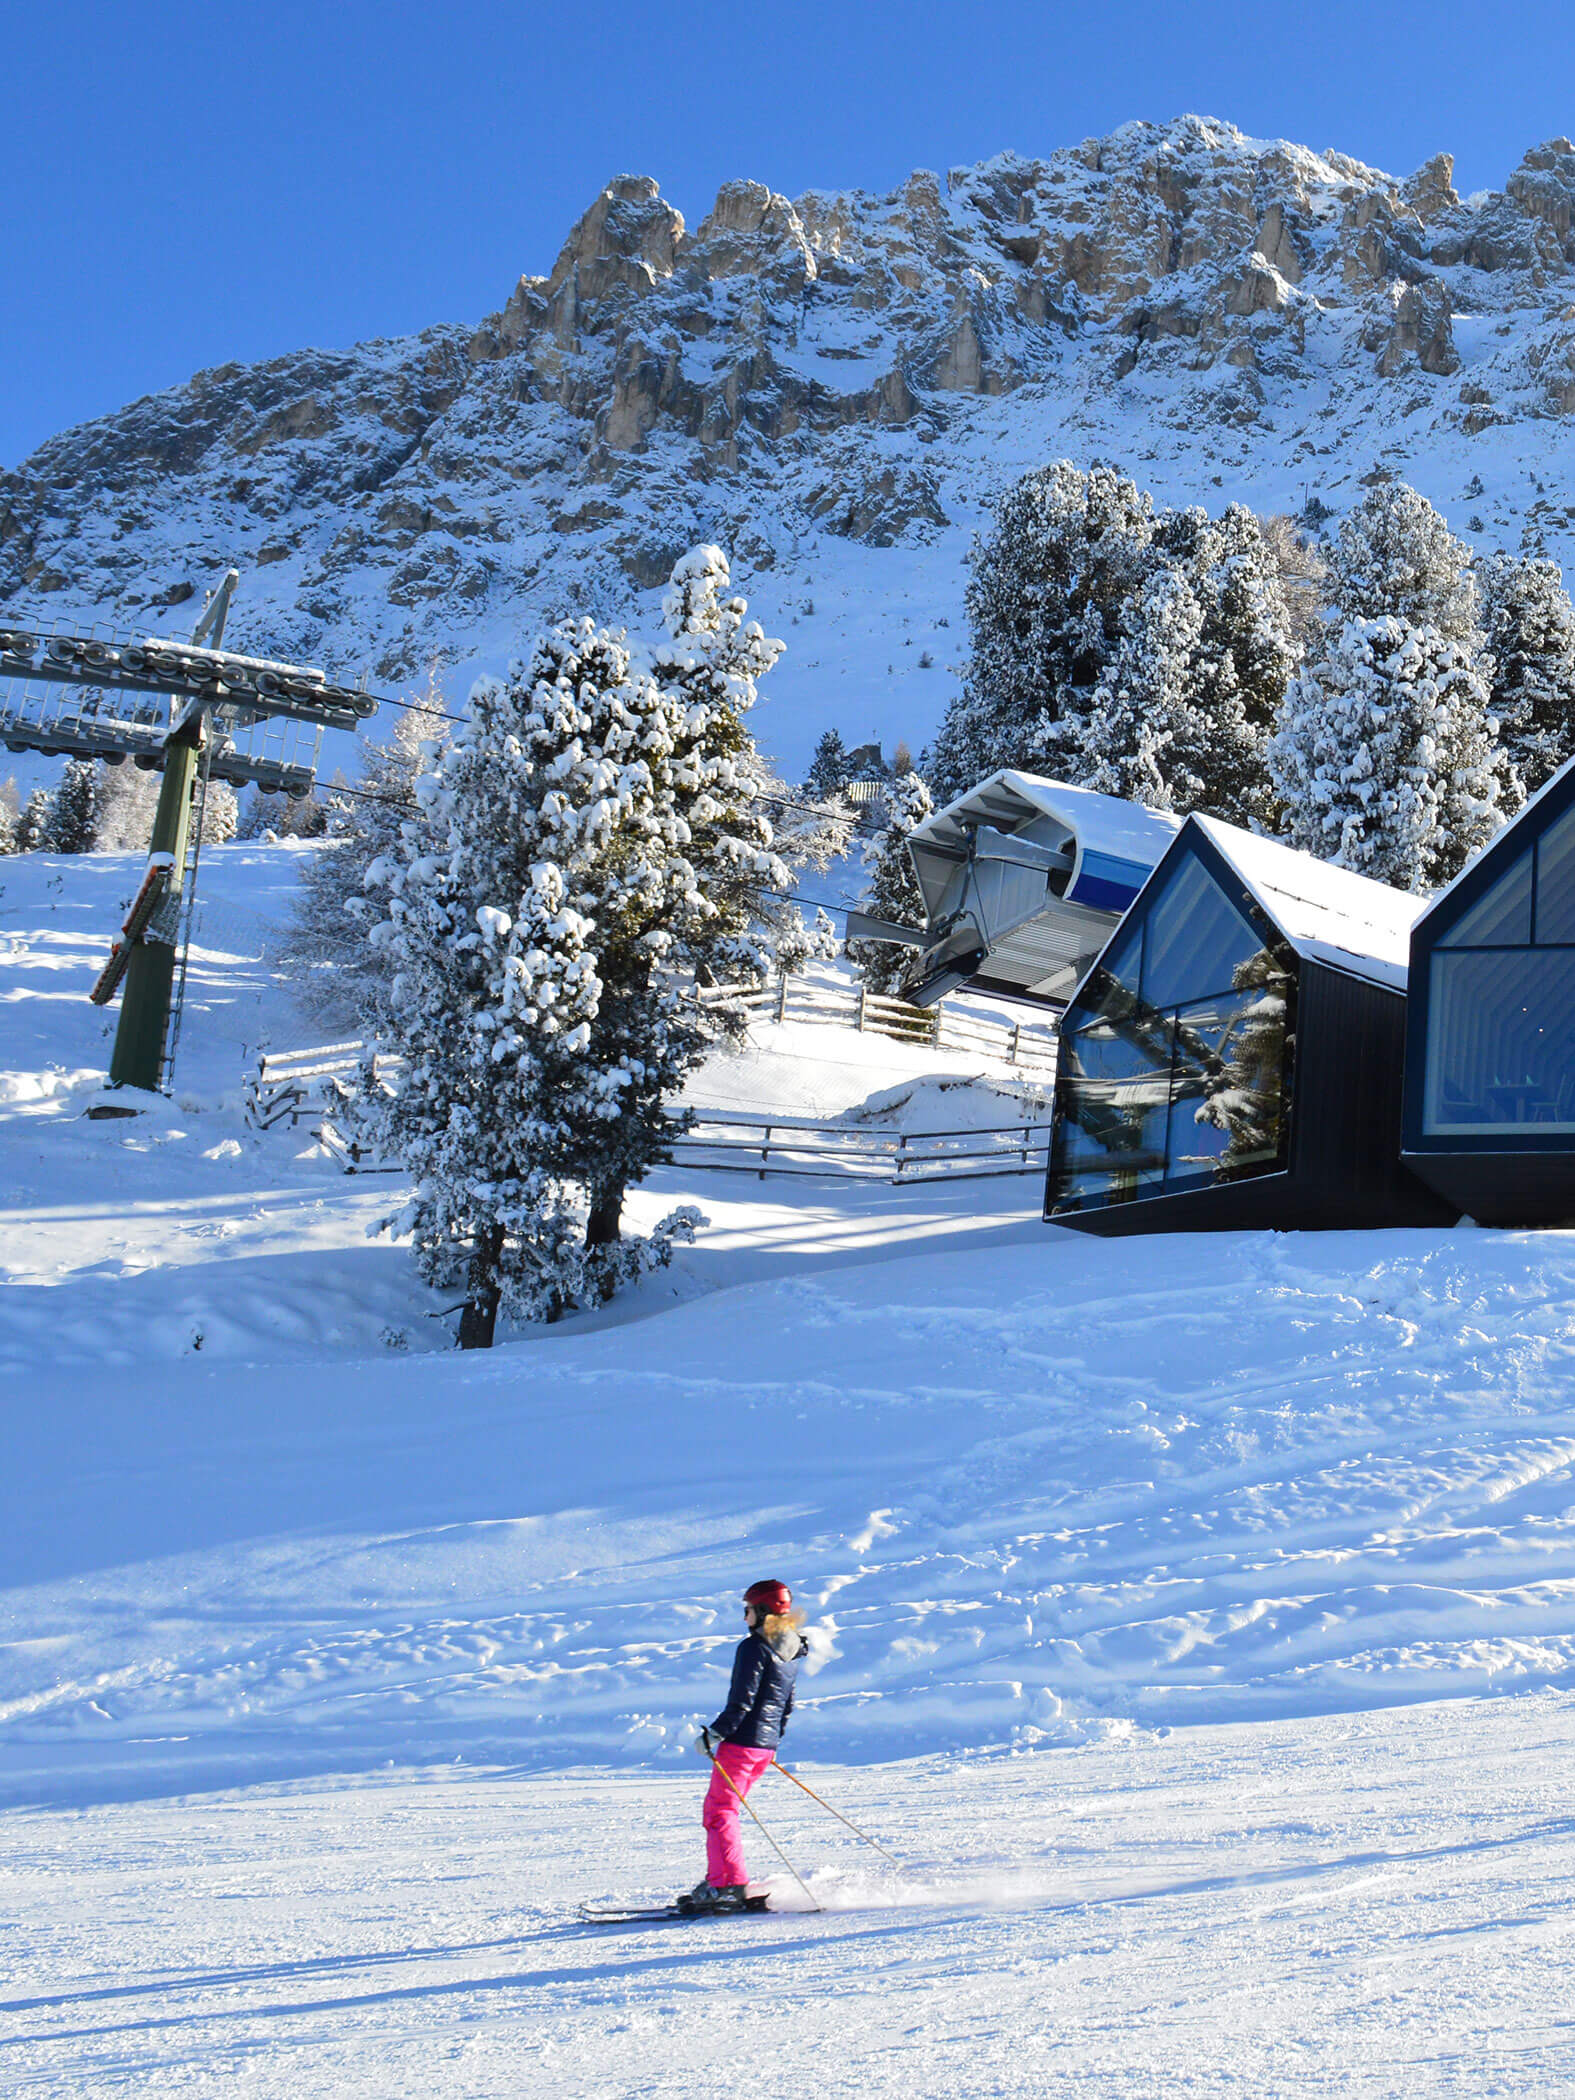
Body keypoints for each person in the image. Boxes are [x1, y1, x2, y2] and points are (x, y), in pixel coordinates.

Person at [678, 1578, 809, 1913]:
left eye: (748, 1610)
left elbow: (742, 1702)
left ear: (762, 1609)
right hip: (763, 1748)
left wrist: (714, 1735)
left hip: (741, 1744)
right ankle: (722, 1879)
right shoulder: (789, 1648)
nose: (744, 1617)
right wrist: (769, 1742)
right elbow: (786, 1705)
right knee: (725, 1810)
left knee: (720, 1811)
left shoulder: (753, 1647)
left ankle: (727, 1886)